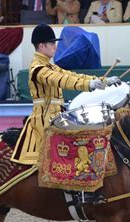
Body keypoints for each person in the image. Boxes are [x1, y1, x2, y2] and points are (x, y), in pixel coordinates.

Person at [13, 24, 121, 165]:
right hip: (45, 118)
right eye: (52, 43)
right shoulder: (37, 69)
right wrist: (90, 85)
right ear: (41, 46)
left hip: (57, 115)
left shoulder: (50, 66)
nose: (55, 47)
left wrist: (103, 81)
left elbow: (72, 75)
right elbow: (64, 80)